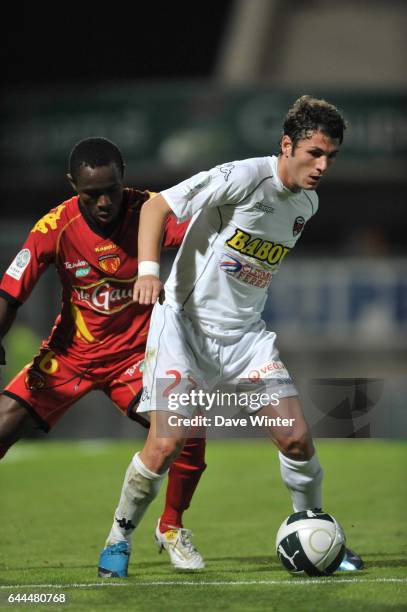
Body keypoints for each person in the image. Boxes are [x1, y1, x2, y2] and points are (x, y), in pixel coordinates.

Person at [98, 95, 364, 577]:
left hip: (245, 339)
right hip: (184, 327)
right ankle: (118, 538)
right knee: (165, 445)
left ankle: (316, 526)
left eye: (331, 157)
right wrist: (149, 271)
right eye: (315, 153)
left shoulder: (308, 203)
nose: (323, 166)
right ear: (287, 145)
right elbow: (158, 205)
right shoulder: (243, 176)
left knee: (298, 439)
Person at [0, 137, 207, 576]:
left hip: (136, 359)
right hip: (69, 356)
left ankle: (171, 526)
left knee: (186, 429)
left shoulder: (150, 210)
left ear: (123, 178)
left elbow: (211, 228)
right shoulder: (54, 226)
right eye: (90, 193)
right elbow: (9, 294)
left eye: (111, 189)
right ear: (73, 184)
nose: (103, 202)